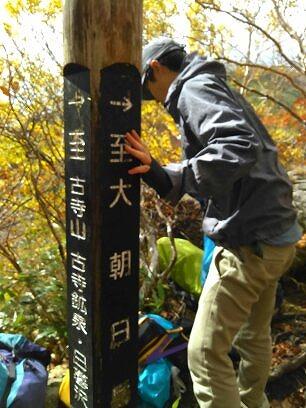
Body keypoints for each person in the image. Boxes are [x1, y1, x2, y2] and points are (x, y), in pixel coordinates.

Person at [124, 37, 302, 408]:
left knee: (203, 355)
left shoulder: (193, 88)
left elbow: (235, 147)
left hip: (248, 241)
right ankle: (254, 403)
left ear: (156, 68)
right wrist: (164, 174)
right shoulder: (211, 83)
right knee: (252, 338)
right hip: (277, 236)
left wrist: (174, 176)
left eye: (147, 88)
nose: (152, 98)